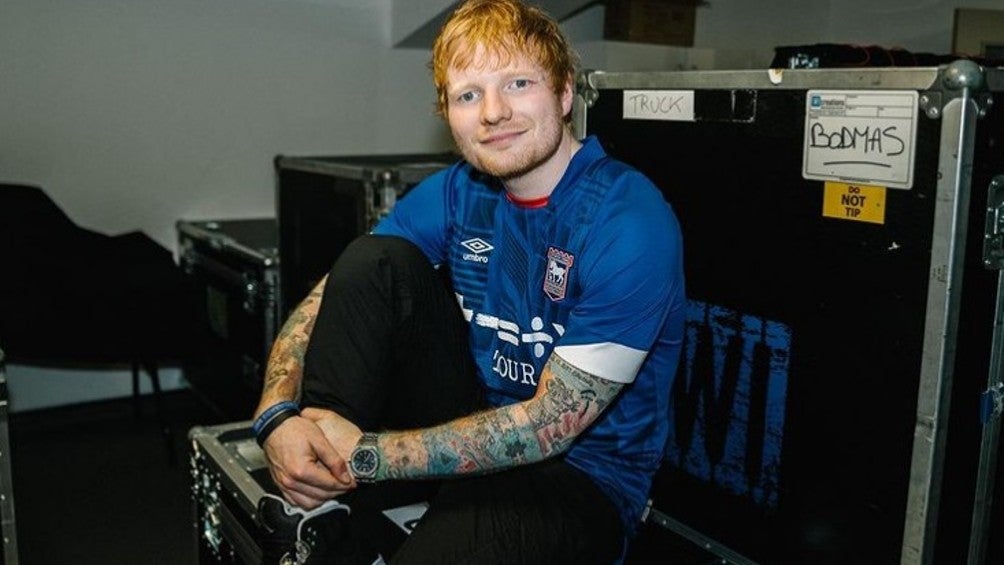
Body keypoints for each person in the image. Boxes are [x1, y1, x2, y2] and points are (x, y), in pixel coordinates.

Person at [252, 0, 686, 562]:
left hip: (578, 478)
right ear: (449, 116)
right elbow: (329, 296)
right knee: (372, 261)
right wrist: (275, 416)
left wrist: (368, 455)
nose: (494, 112)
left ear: (563, 93)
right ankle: (321, 497)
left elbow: (548, 428)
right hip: (471, 414)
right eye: (469, 95)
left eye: (518, 83)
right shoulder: (460, 190)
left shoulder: (628, 220)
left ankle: (341, 470)